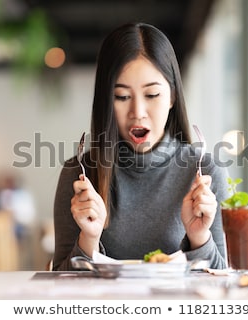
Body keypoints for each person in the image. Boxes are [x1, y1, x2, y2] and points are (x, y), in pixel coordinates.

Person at [52, 22, 230, 271]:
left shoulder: (207, 172)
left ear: (173, 97)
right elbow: (57, 287)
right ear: (106, 101)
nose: (138, 113)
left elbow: (228, 286)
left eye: (152, 95)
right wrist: (88, 240)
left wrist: (199, 237)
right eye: (122, 97)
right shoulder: (78, 175)